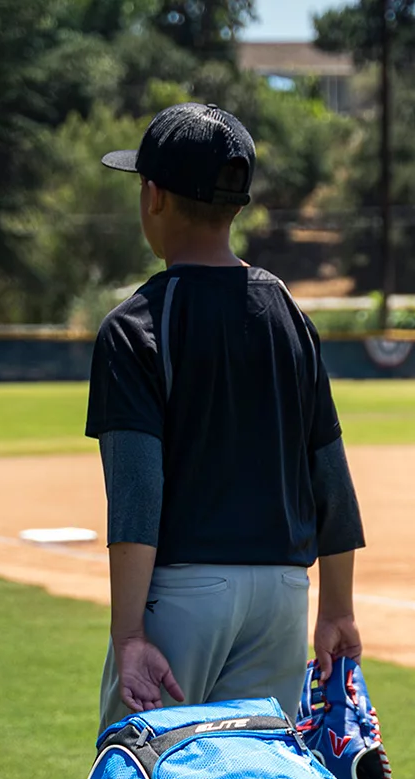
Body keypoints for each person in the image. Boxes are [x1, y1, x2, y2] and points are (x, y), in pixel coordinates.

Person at [86, 102, 366, 736]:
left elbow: (136, 495)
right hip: (282, 599)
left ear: (154, 196)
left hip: (183, 597)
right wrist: (337, 609)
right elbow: (330, 474)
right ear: (238, 205)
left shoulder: (135, 325)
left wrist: (129, 634)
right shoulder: (289, 314)